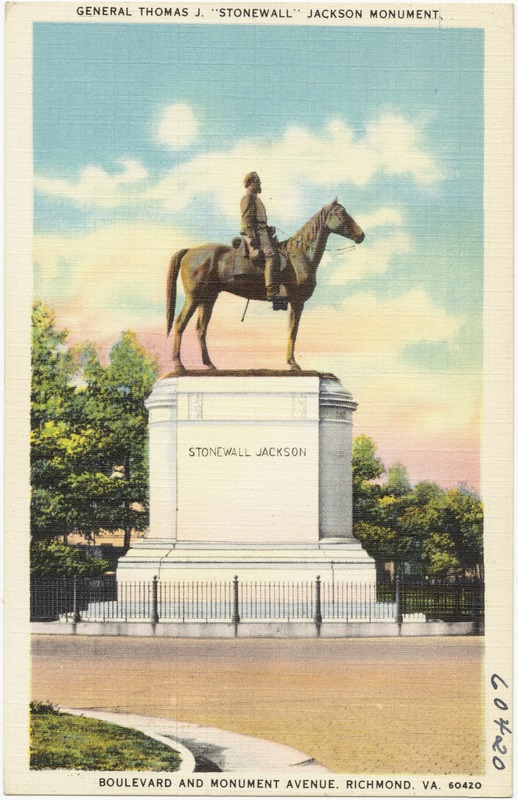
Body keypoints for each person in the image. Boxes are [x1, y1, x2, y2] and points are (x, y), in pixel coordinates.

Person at [240, 172, 283, 302]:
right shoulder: (248, 198)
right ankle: (272, 292)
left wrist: (268, 229)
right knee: (271, 255)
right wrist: (252, 238)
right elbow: (246, 220)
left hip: (262, 233)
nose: (260, 185)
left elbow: (259, 220)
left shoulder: (255, 198)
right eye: (258, 182)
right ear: (252, 183)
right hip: (256, 235)